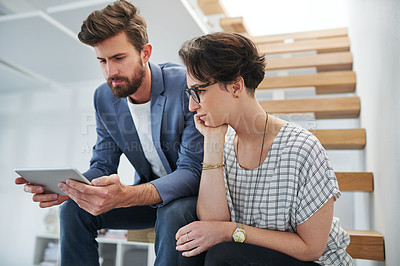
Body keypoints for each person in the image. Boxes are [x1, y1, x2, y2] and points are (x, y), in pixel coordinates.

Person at [14, 1, 203, 265]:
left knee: (173, 211)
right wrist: (68, 189)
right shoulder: (104, 97)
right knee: (73, 210)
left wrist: (127, 194)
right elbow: (103, 164)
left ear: (145, 53)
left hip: (193, 200)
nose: (110, 72)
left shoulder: (185, 85)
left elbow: (192, 172)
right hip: (147, 200)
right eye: (102, 60)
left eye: (118, 58)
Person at [175, 32, 353, 266]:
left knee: (223, 255)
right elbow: (213, 226)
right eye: (190, 93)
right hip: (247, 257)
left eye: (200, 91)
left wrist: (233, 231)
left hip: (313, 262)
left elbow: (311, 249)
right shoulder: (223, 145)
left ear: (236, 86)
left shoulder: (301, 148)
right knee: (193, 246)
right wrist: (212, 142)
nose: (191, 105)